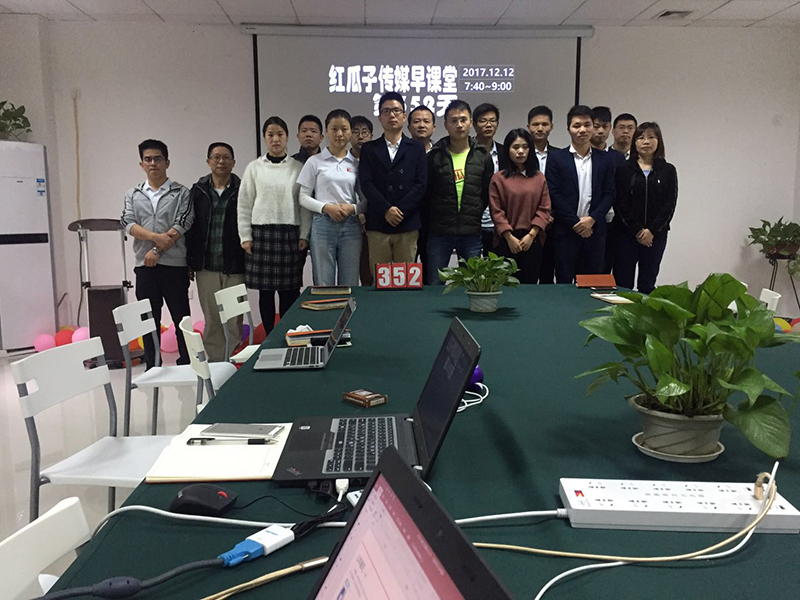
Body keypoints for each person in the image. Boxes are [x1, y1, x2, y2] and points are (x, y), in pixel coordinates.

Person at [121, 139, 193, 369]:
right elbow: (128, 223)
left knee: (181, 318)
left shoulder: (181, 192)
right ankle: (152, 366)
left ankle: (187, 363)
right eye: (148, 159)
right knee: (148, 320)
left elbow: (183, 223)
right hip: (145, 267)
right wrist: (155, 239)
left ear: (167, 162)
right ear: (141, 164)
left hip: (174, 266)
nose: (153, 163)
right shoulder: (133, 194)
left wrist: (156, 250)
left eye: (158, 159)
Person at [238, 117, 311, 335]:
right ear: (265, 138)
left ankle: (289, 333)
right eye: (270, 135)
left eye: (280, 134)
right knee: (266, 292)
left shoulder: (298, 168)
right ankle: (270, 335)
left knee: (290, 291)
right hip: (261, 235)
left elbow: (304, 205)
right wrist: (245, 236)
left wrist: (304, 234)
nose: (275, 139)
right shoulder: (254, 168)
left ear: (287, 137)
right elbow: (244, 203)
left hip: (289, 234)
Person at [423, 99, 494, 285]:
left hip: (471, 231)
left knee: (472, 284)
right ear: (446, 124)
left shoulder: (482, 156)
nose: (459, 125)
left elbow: (486, 193)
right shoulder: (434, 156)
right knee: (435, 283)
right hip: (440, 231)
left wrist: (474, 212)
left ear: (471, 123)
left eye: (463, 120)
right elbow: (427, 194)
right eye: (454, 120)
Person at [186, 142, 245, 362]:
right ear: (208, 161)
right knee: (212, 320)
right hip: (206, 266)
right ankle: (216, 364)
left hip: (235, 265)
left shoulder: (243, 189)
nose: (221, 162)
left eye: (226, 157)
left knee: (234, 319)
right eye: (216, 157)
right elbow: (189, 228)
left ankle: (232, 363)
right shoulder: (197, 191)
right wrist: (189, 261)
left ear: (233, 162)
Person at [359, 92, 428, 276]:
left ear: (404, 116)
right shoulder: (369, 148)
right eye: (386, 111)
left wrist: (400, 210)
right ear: (380, 117)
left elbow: (421, 184)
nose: (392, 115)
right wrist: (386, 209)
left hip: (407, 222)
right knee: (379, 280)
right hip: (378, 222)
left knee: (405, 280)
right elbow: (366, 183)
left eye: (396, 111)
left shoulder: (417, 148)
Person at [545, 106, 616, 284]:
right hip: (565, 231)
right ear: (568, 128)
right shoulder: (557, 158)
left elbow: (610, 193)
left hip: (595, 232)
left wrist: (592, 219)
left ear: (592, 127)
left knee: (591, 283)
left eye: (587, 125)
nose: (582, 130)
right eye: (577, 125)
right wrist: (576, 223)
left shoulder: (605, 159)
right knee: (563, 283)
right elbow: (554, 193)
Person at [298, 109, 361, 286]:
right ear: (326, 132)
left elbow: (365, 201)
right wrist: (326, 208)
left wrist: (353, 208)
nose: (339, 134)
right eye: (334, 129)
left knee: (350, 283)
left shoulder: (357, 164)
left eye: (344, 129)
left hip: (351, 226)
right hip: (323, 225)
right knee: (323, 283)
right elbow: (303, 197)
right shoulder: (314, 161)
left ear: (350, 132)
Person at [614, 122, 677, 294]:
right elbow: (620, 203)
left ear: (659, 141)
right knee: (622, 283)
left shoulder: (668, 170)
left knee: (647, 283)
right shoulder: (624, 169)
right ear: (634, 142)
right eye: (641, 138)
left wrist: (651, 231)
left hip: (656, 236)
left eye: (651, 137)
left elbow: (669, 203)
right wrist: (637, 230)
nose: (646, 141)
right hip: (626, 235)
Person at [489, 129, 551, 284]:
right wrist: (509, 237)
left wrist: (531, 235)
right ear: (507, 150)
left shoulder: (539, 178)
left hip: (532, 239)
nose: (521, 151)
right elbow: (496, 211)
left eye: (525, 147)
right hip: (506, 240)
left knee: (529, 286)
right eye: (515, 147)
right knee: (506, 286)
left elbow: (544, 208)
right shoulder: (499, 179)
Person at [472, 103, 509, 257]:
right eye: (483, 121)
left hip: (499, 223)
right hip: (473, 222)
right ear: (474, 124)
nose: (488, 125)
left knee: (498, 267)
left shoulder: (506, 152)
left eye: (492, 121)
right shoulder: (467, 151)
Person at [527, 105, 558, 284]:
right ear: (528, 127)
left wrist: (549, 215)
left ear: (551, 126)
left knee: (548, 273)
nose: (540, 128)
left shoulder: (560, 155)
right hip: (526, 224)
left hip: (553, 224)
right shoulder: (520, 155)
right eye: (535, 124)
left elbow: (562, 191)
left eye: (544, 124)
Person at [349, 115, 375, 285]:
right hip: (349, 220)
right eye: (355, 132)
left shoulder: (376, 159)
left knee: (369, 271)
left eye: (364, 132)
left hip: (372, 222)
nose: (360, 136)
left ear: (371, 136)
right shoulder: (343, 160)